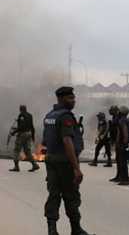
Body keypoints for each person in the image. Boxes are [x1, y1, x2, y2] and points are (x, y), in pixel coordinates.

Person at [42, 86, 93, 235]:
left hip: (51, 160)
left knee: (53, 194)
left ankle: (52, 230)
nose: (73, 101)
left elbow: (46, 141)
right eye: (70, 98)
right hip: (65, 162)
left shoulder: (49, 115)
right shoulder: (65, 117)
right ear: (61, 99)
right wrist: (76, 168)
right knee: (71, 195)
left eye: (73, 98)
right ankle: (76, 229)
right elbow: (67, 141)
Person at [9, 105, 40, 172]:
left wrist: (14, 132)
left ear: (20, 109)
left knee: (16, 150)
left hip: (22, 134)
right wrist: (33, 136)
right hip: (29, 134)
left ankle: (16, 167)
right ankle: (35, 165)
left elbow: (22, 126)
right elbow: (32, 126)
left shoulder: (21, 115)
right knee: (27, 151)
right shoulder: (30, 115)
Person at [108, 106, 121, 182]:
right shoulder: (114, 117)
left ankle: (121, 176)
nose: (109, 111)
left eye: (111, 110)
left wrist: (117, 140)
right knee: (118, 159)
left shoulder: (118, 118)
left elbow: (119, 130)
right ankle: (118, 175)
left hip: (119, 141)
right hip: (116, 140)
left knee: (120, 159)